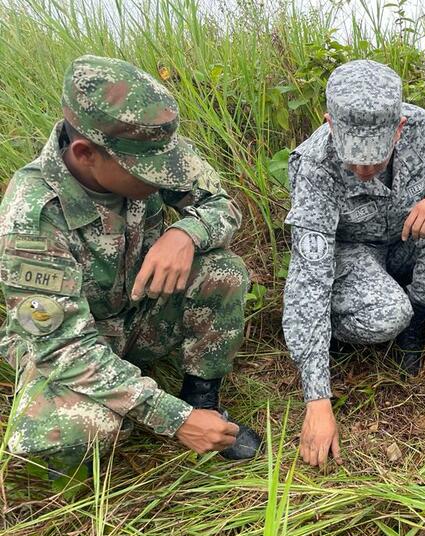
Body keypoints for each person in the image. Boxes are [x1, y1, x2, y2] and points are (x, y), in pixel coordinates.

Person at [0, 55, 262, 477]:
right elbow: (63, 348)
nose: (163, 178)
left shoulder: (148, 149)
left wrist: (185, 234)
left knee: (223, 272)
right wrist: (173, 420)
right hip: (78, 343)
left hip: (140, 313)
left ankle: (203, 403)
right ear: (85, 153)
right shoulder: (31, 217)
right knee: (70, 437)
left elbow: (222, 204)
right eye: (147, 172)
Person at [283, 59, 425, 467]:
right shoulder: (314, 165)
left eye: (376, 157)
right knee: (386, 315)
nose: (365, 170)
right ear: (329, 123)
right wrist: (317, 398)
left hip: (404, 242)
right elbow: (308, 277)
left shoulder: (422, 128)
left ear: (399, 128)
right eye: (354, 159)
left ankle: (416, 323)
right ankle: (333, 334)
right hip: (352, 255)